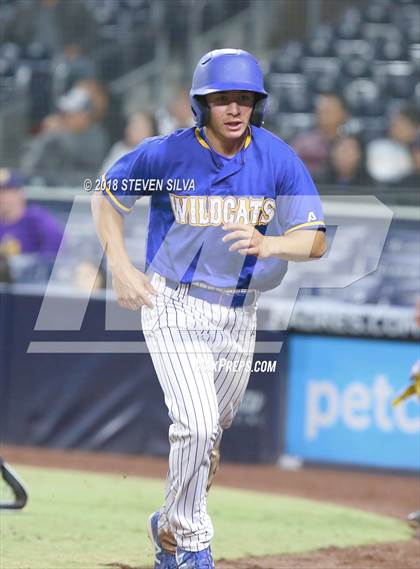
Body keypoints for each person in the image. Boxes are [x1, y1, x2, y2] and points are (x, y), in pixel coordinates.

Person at [91, 49, 326, 569]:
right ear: (201, 104)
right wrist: (121, 267)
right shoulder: (167, 153)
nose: (235, 108)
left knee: (209, 436)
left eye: (244, 98)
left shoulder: (277, 157)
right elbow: (105, 195)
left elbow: (315, 240)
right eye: (222, 99)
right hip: (174, 302)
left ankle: (170, 525)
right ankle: (194, 547)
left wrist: (273, 246)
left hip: (241, 314)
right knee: (195, 426)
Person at [22, 86, 109, 187]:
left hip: (80, 193)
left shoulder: (97, 135)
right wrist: (45, 134)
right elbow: (29, 166)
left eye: (71, 114)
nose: (65, 117)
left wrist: (58, 133)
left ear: (85, 115)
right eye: (64, 113)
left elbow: (75, 153)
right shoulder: (58, 134)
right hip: (49, 190)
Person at [0, 168, 63, 258]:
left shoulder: (36, 219)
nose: (1, 197)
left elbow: (55, 248)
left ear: (20, 193)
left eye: (5, 192)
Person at [291, 93, 349, 180]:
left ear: (343, 114)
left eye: (328, 111)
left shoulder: (350, 145)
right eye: (320, 111)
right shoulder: (303, 144)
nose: (323, 115)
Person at [366, 103, 419, 184]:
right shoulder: (378, 147)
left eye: (402, 123)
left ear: (415, 128)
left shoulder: (416, 149)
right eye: (394, 123)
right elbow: (380, 173)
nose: (394, 127)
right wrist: (412, 164)